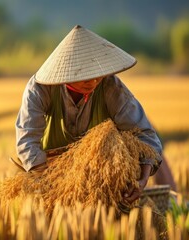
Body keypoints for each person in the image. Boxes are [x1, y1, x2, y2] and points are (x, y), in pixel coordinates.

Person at [15, 25, 163, 205]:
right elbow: (27, 140)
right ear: (67, 71)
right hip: (49, 173)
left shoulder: (110, 86)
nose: (93, 82)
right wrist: (48, 182)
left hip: (98, 179)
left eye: (96, 75)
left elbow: (146, 137)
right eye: (85, 76)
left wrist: (142, 180)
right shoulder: (40, 89)